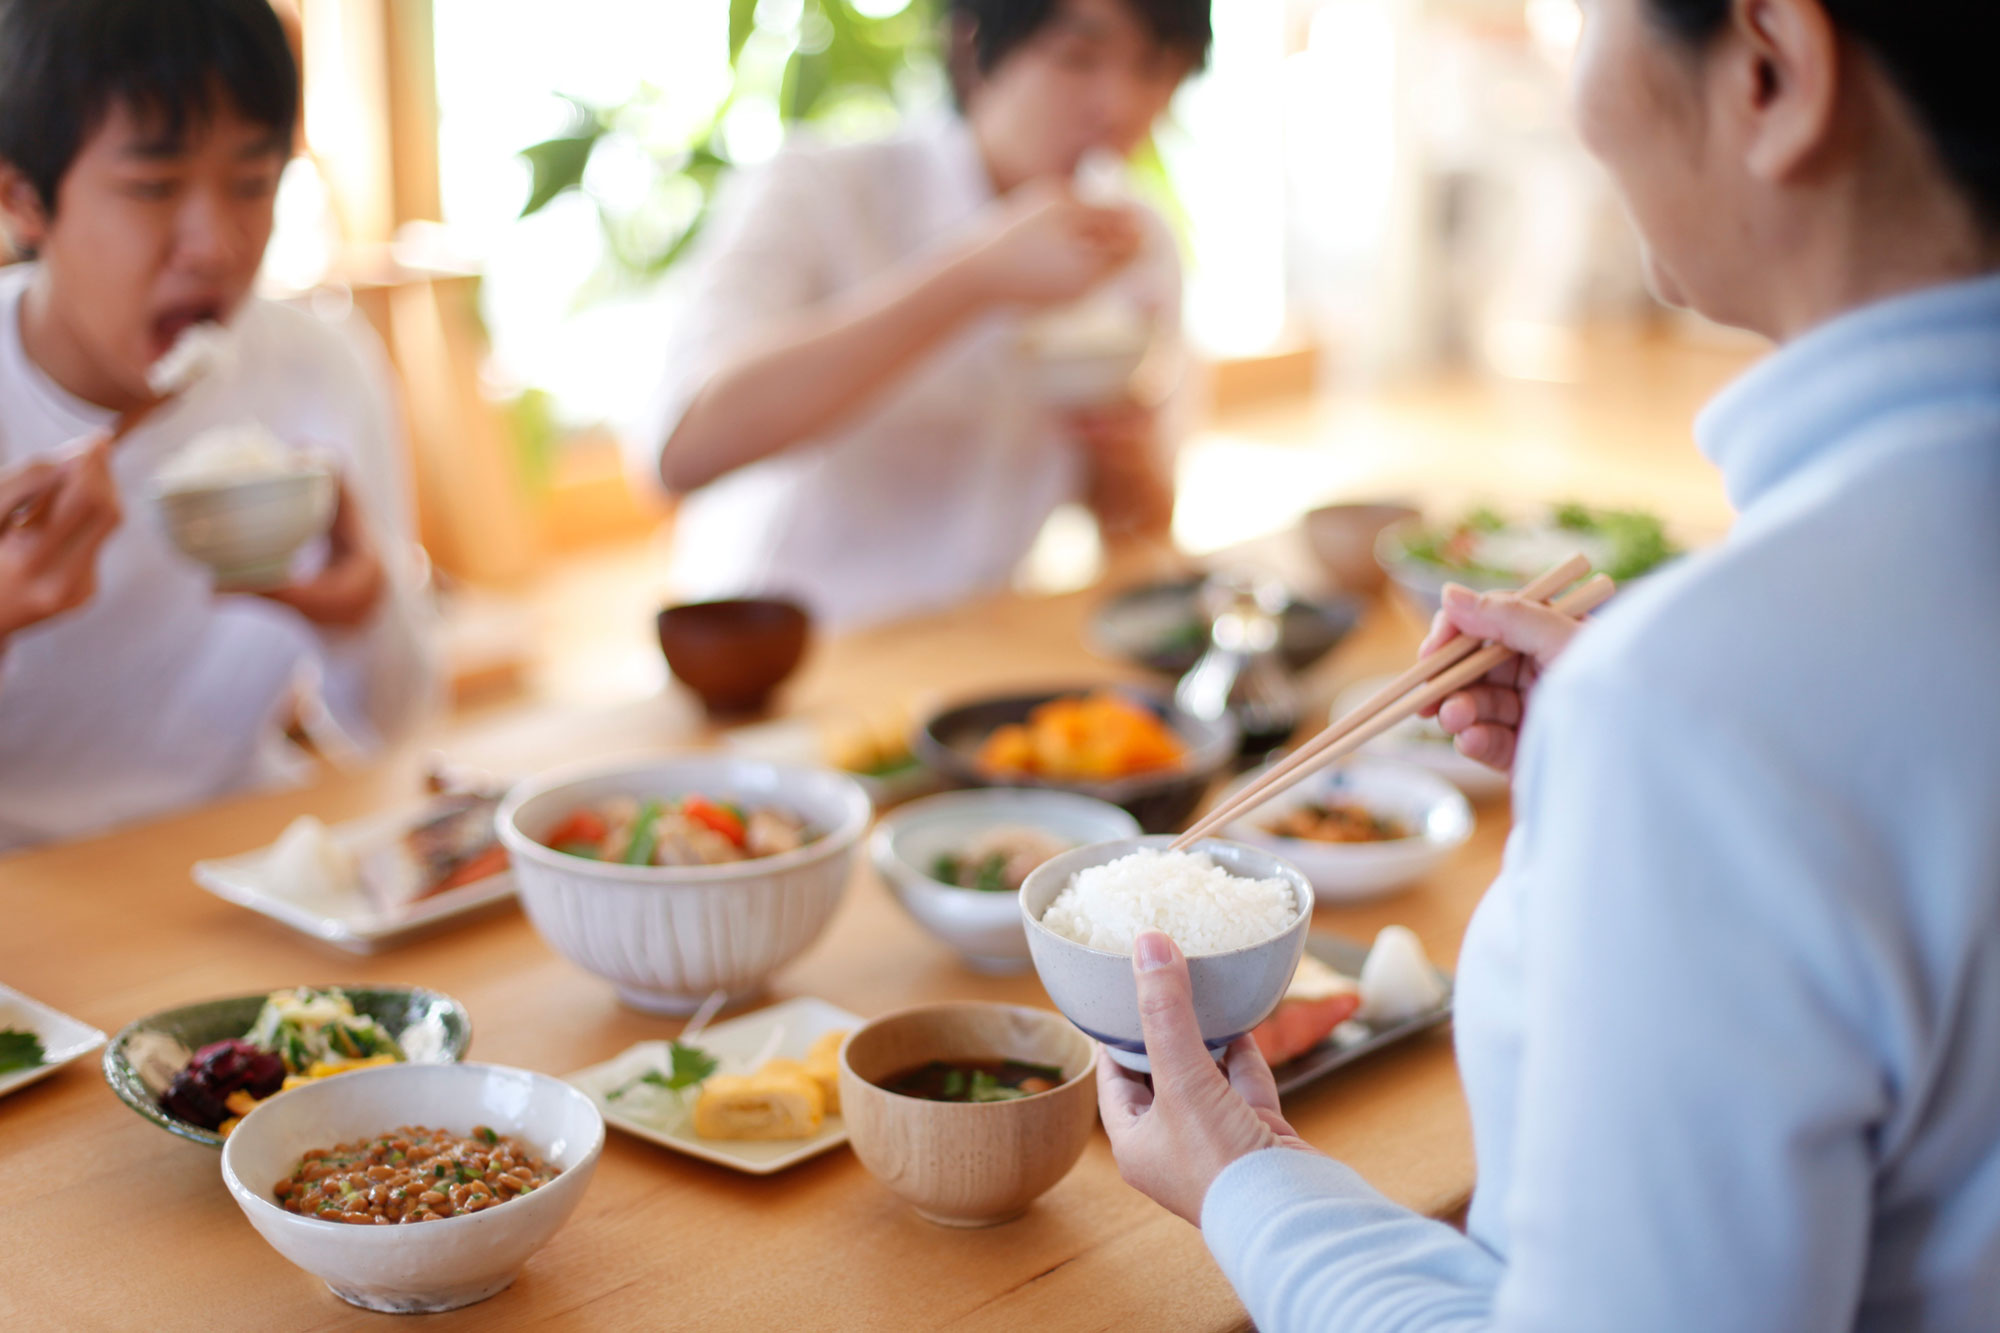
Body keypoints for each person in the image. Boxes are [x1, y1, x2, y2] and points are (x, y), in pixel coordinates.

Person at [1097, 0, 2000, 1328]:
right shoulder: (1713, 688)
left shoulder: (1706, 706)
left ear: (1771, 67)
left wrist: (1245, 1176)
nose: (1577, 93)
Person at [0, 0, 436, 851]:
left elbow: (400, 724)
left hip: (240, 852)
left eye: (253, 181)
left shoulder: (319, 367)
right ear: (23, 199)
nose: (217, 244)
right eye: (153, 187)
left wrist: (360, 617)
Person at [645, 0, 1210, 629]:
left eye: (1156, 69)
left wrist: (1120, 451)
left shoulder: (1137, 242)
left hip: (971, 647)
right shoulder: (823, 188)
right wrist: (976, 276)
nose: (1121, 107)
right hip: (778, 653)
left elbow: (1144, 526)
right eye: (1078, 59)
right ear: (971, 46)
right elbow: (678, 450)